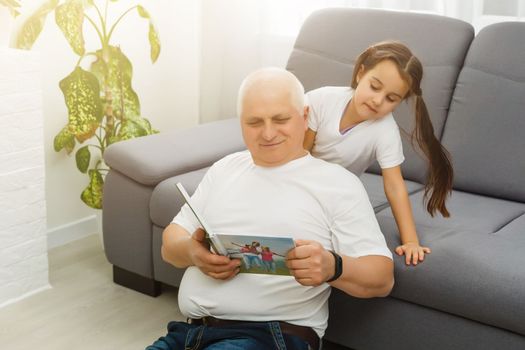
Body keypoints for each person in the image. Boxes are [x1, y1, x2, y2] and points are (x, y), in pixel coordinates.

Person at [148, 67, 394, 350]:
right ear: (241, 123)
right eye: (254, 122)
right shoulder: (225, 169)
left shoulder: (339, 184)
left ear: (304, 117)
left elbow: (382, 278)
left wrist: (333, 266)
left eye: (280, 119)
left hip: (273, 337)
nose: (267, 133)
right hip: (188, 333)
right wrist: (193, 253)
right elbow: (170, 245)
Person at [304, 41, 454, 266]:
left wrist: (411, 240)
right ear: (360, 74)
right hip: (299, 182)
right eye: (374, 87)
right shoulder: (322, 100)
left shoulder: (385, 131)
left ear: (399, 102)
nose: (377, 100)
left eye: (391, 99)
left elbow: (394, 186)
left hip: (335, 197)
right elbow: (299, 155)